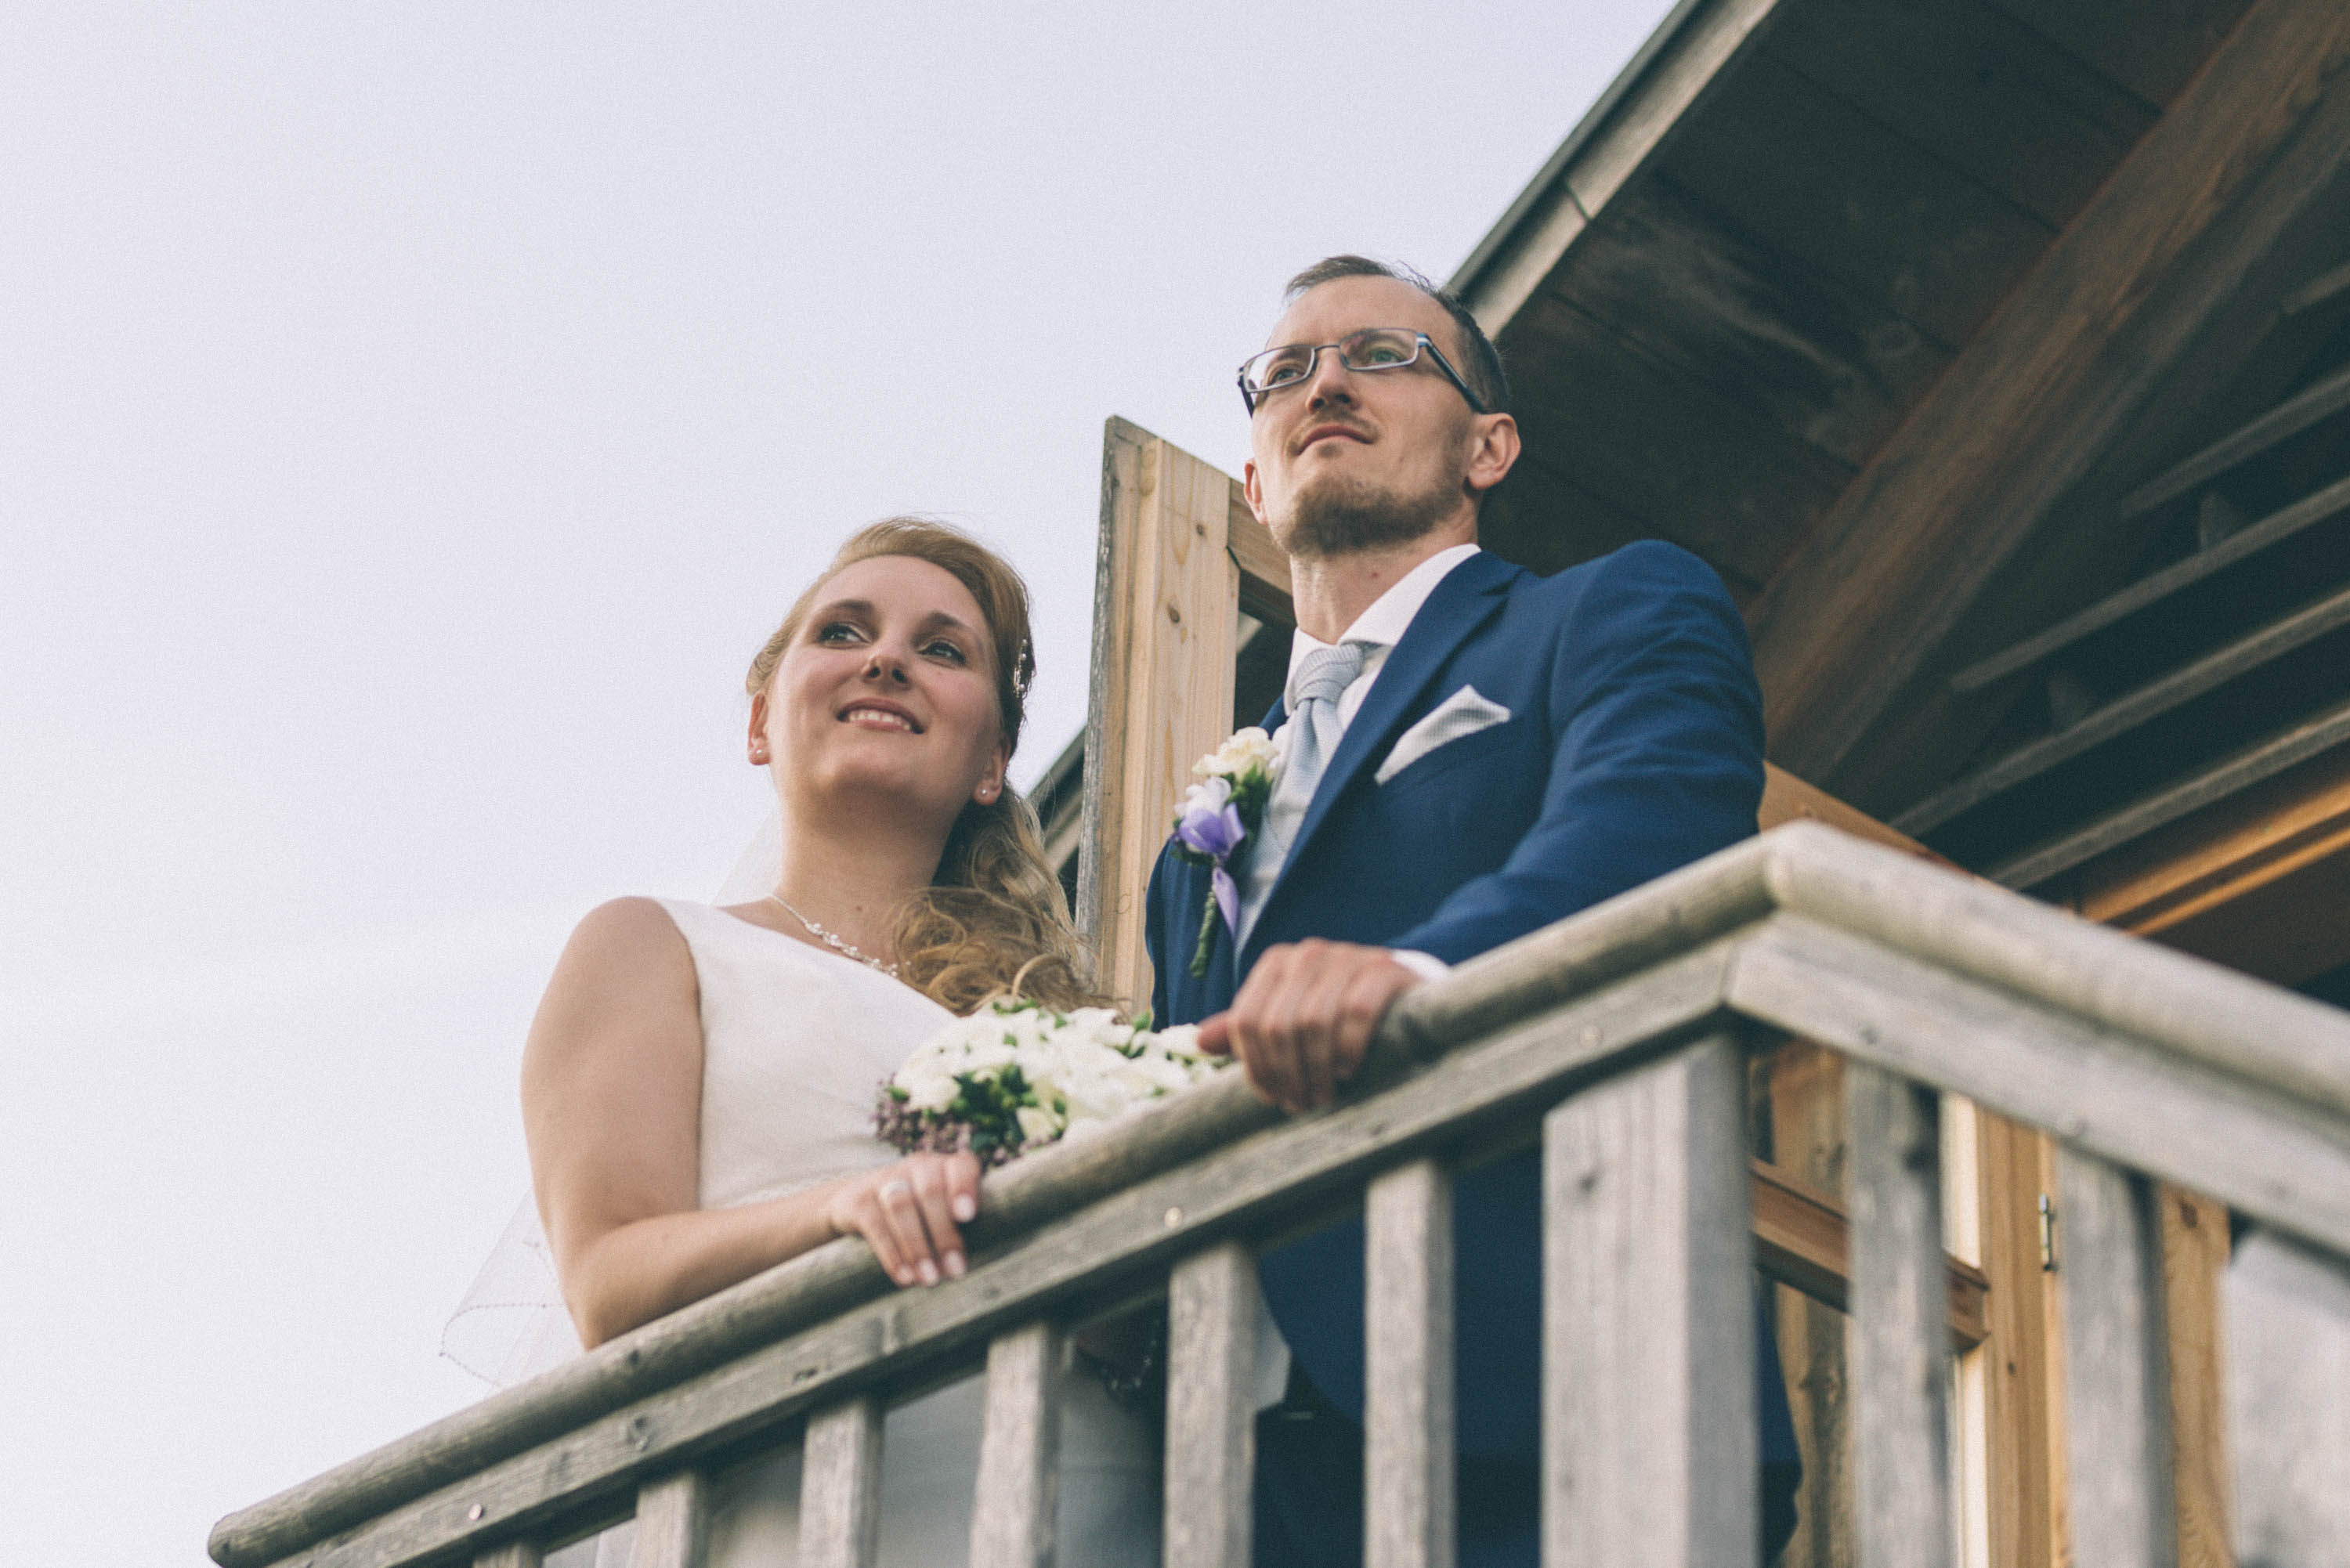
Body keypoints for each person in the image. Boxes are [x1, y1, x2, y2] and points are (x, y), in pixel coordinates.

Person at [1142, 257, 1802, 1567]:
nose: (1324, 379)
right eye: (1285, 372)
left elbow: (1648, 836)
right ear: (1258, 483)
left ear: (1488, 445)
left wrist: (1419, 969)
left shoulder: (1607, 611)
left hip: (1552, 1417)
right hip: (1251, 1484)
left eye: (1382, 354)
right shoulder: (1191, 843)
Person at [522, 518, 1158, 1566]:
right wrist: (838, 1213)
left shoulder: (1073, 1028)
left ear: (993, 761)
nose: (888, 658)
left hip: (1096, 1515)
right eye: (845, 630)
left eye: (944, 649)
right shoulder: (656, 943)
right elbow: (608, 1275)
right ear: (763, 719)